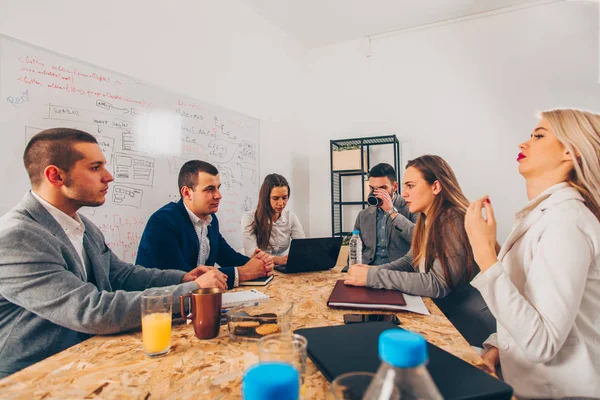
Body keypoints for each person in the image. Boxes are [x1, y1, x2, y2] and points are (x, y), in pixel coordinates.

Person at [0, 128, 227, 379]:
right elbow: (91, 310)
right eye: (95, 168)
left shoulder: (82, 226)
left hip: (85, 358)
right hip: (34, 377)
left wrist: (183, 278)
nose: (108, 177)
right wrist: (192, 291)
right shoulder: (17, 237)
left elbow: (122, 274)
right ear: (55, 176)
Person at [465, 109, 600, 398]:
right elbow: (530, 308)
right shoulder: (546, 216)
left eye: (539, 136)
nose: (523, 144)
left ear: (570, 152)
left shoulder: (566, 221)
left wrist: (484, 253)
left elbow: (542, 342)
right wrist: (496, 349)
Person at [345, 155, 496, 347]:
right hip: (444, 317)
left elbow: (437, 284)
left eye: (411, 186)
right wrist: (371, 272)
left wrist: (373, 277)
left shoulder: (452, 220)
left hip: (470, 326)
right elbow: (411, 260)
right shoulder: (428, 219)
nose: (405, 193)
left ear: (435, 186)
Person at [136, 160, 274, 289]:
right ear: (187, 193)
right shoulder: (163, 222)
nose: (218, 195)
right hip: (157, 308)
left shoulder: (210, 219)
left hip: (194, 304)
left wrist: (260, 263)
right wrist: (243, 273)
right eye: (210, 189)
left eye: (218, 188)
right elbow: (186, 278)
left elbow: (228, 257)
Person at [353, 163, 417, 266]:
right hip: (368, 270)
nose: (376, 193)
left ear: (395, 186)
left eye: (382, 188)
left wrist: (391, 211)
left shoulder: (412, 207)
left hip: (398, 272)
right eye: (372, 188)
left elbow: (419, 238)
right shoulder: (363, 215)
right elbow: (355, 249)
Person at [241, 174, 305, 265]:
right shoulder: (249, 218)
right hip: (255, 265)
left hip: (282, 266)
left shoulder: (291, 217)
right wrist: (277, 260)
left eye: (284, 198)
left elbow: (302, 246)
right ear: (266, 198)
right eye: (275, 198)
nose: (281, 203)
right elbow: (251, 253)